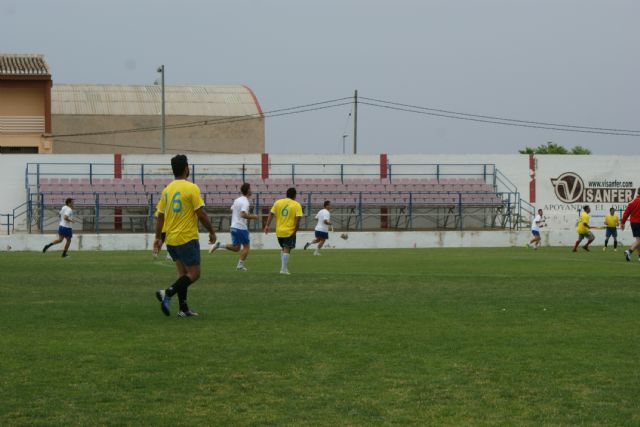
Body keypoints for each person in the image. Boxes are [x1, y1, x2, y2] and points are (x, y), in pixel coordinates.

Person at [154, 154, 217, 317]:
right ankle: (168, 293)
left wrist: (158, 238)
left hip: (171, 240)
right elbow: (201, 214)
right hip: (186, 237)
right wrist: (211, 231)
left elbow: (160, 216)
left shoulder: (167, 190)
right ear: (185, 168)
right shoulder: (191, 188)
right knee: (195, 274)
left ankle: (183, 309)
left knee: (183, 275)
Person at [209, 183, 258, 271]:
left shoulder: (237, 200)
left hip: (233, 227)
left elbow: (233, 208)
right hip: (241, 227)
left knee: (236, 248)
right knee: (246, 247)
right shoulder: (245, 201)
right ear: (248, 190)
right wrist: (253, 217)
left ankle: (219, 245)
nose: (252, 190)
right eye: (250, 188)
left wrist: (245, 213)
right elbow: (243, 214)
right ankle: (240, 266)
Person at [263, 187, 303, 275]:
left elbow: (271, 214)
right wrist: (295, 231)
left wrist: (267, 225)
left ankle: (283, 268)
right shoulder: (297, 205)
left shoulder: (278, 202)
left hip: (279, 231)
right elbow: (298, 219)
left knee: (283, 248)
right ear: (295, 195)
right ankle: (283, 269)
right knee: (287, 249)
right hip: (289, 231)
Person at [622, 187, 640, 262]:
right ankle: (629, 251)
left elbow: (626, 213)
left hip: (633, 223)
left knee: (638, 240)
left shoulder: (632, 202)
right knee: (639, 240)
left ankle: (639, 257)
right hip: (639, 222)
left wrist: (623, 223)